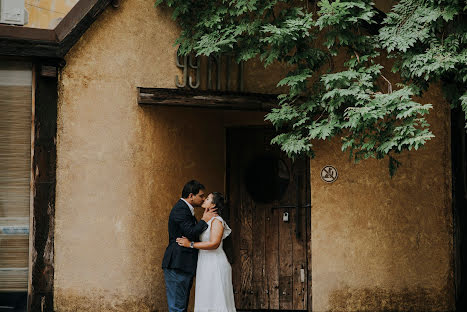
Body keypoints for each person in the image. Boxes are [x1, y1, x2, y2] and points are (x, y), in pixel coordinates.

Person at [162, 180, 218, 312]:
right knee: (177, 307)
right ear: (191, 196)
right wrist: (204, 220)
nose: (203, 199)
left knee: (181, 306)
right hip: (177, 263)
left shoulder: (186, 209)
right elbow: (190, 232)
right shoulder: (180, 209)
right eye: (201, 196)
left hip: (184, 264)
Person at [176, 192, 236, 312]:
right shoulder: (208, 220)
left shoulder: (217, 221)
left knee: (216, 299)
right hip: (205, 262)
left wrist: (190, 244)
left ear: (213, 204)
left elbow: (214, 243)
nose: (204, 200)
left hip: (215, 263)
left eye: (207, 198)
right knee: (206, 298)